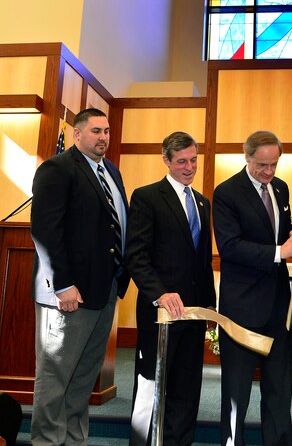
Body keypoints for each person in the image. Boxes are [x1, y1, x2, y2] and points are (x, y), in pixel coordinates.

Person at [30, 107, 131, 446]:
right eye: (96, 131)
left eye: (106, 131)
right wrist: (63, 284)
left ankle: (73, 440)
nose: (103, 137)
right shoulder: (57, 169)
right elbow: (46, 231)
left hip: (104, 291)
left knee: (84, 376)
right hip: (67, 294)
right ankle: (47, 441)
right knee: (55, 376)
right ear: (77, 134)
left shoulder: (112, 172)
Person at [212, 130, 292, 446]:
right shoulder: (227, 192)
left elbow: (275, 236)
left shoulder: (280, 188)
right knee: (236, 392)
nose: (267, 172)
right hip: (241, 308)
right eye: (261, 165)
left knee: (279, 390)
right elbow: (230, 247)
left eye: (273, 164)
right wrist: (281, 252)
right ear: (247, 157)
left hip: (279, 307)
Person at [125, 131, 216, 446]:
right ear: (166, 160)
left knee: (186, 387)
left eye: (193, 160)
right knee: (150, 384)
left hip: (192, 313)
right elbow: (135, 255)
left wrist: (209, 305)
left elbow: (202, 261)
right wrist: (159, 293)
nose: (189, 168)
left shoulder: (202, 202)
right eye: (181, 162)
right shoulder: (147, 197)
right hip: (160, 313)